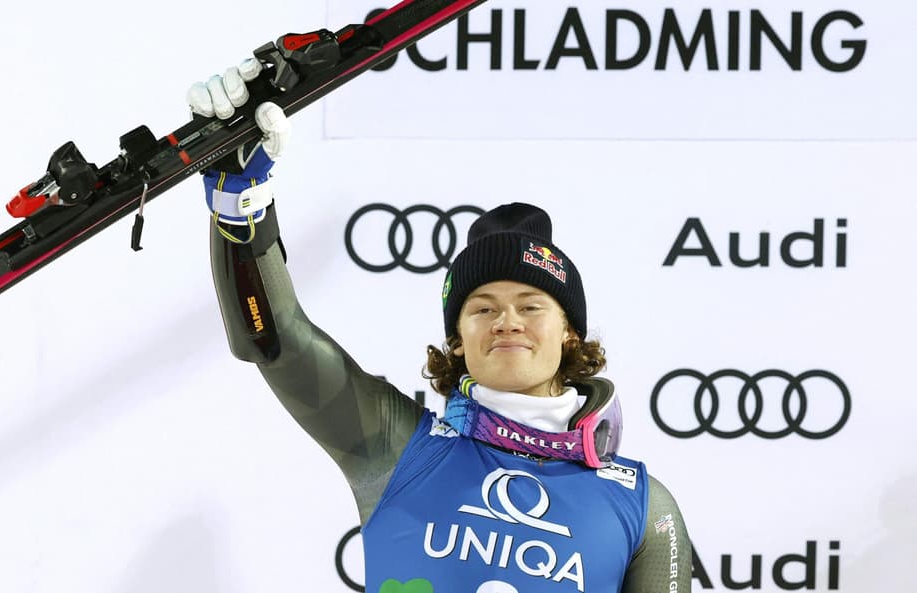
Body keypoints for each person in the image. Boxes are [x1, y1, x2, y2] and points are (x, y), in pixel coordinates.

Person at [188, 61, 692, 593]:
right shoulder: (397, 446)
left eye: (531, 305)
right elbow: (276, 341)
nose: (507, 322)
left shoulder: (642, 504)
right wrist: (239, 206)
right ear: (457, 339)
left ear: (570, 331)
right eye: (482, 308)